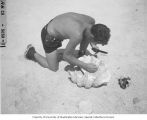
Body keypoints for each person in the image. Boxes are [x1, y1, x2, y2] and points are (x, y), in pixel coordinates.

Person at [25, 12, 110, 73]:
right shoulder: (77, 35)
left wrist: (92, 44)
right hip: (49, 36)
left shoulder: (91, 21)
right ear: (92, 37)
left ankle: (81, 52)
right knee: (53, 68)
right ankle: (31, 52)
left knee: (84, 37)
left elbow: (87, 35)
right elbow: (66, 56)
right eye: (97, 42)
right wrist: (85, 66)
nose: (97, 44)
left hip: (56, 23)